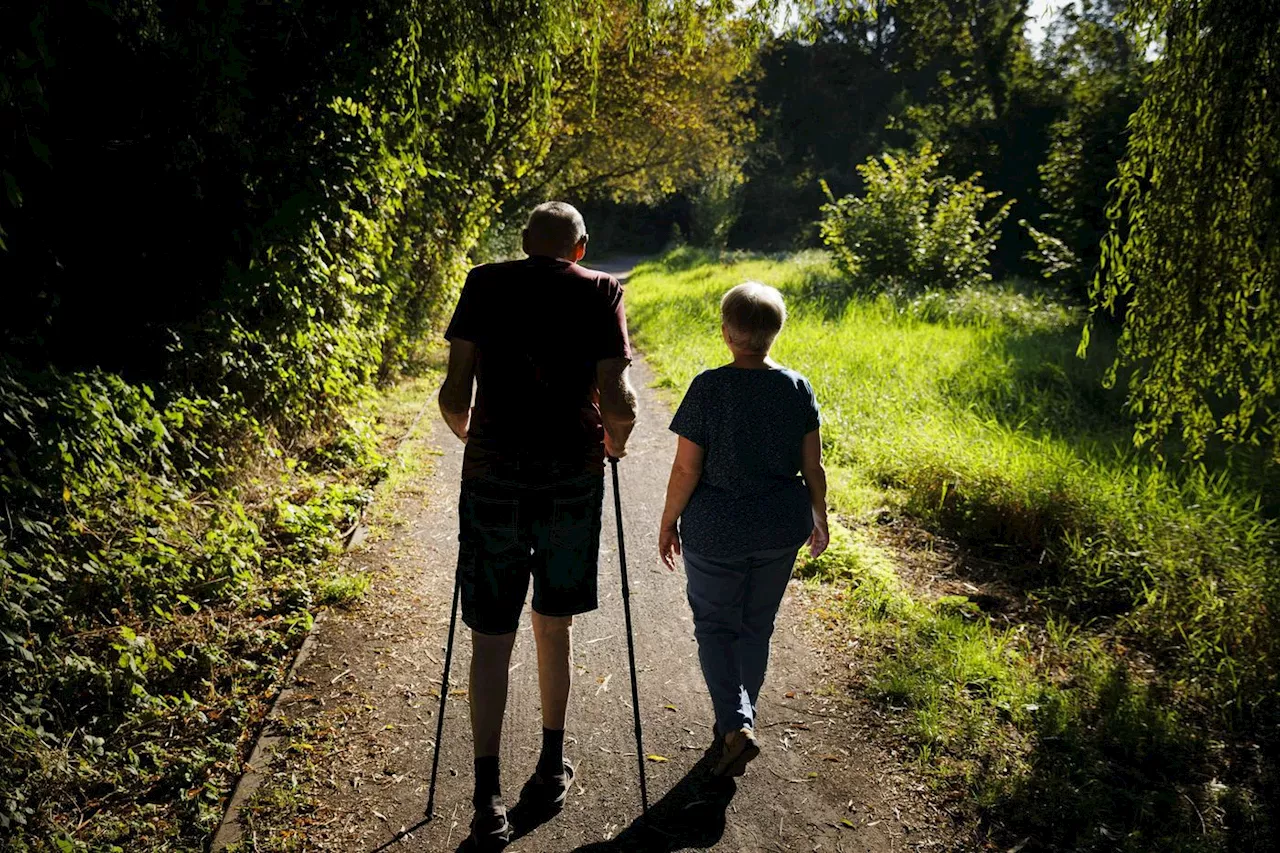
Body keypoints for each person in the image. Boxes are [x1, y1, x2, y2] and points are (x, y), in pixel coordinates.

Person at [438, 201, 638, 850]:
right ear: (579, 248)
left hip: (493, 473)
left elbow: (452, 394)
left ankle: (485, 796)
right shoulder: (602, 289)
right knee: (554, 622)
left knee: (489, 635)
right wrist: (617, 442)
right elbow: (621, 399)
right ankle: (551, 766)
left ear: (525, 242)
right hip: (569, 477)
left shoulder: (482, 282)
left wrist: (483, 440)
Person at [658, 281, 830, 778]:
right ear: (775, 333)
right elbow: (813, 466)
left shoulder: (709, 387)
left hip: (716, 530)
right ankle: (739, 723)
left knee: (716, 626)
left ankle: (735, 724)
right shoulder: (796, 386)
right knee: (757, 625)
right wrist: (821, 517)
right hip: (779, 526)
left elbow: (686, 469)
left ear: (726, 333)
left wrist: (669, 521)